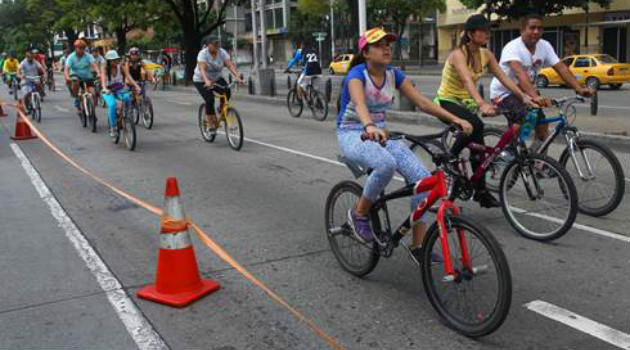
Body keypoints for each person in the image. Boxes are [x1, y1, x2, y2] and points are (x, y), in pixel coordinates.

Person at [336, 27, 473, 260]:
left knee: (425, 182)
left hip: (381, 134)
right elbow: (359, 104)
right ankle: (359, 214)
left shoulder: (393, 75)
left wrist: (456, 119)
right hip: (352, 132)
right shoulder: (357, 75)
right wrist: (369, 126)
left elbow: (423, 102)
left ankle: (417, 246)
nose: (386, 48)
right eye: (379, 45)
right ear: (366, 53)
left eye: (388, 44)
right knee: (385, 164)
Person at [435, 14, 537, 208]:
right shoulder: (458, 54)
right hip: (447, 101)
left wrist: (523, 96)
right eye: (483, 30)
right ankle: (449, 158)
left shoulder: (486, 54)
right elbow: (466, 79)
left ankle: (480, 192)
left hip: (467, 104)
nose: (487, 34)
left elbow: (504, 79)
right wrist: (482, 103)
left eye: (488, 30)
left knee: (480, 149)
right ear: (471, 34)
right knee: (475, 125)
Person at [489, 13, 593, 150]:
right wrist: (536, 96)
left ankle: (537, 163)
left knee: (542, 127)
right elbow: (520, 74)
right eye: (532, 28)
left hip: (527, 92)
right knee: (522, 118)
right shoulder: (512, 47)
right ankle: (508, 150)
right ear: (522, 30)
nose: (536, 32)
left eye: (540, 28)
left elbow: (561, 68)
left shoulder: (545, 46)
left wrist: (578, 88)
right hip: (503, 93)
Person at [193, 36, 243, 131]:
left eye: (217, 44)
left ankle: (221, 109)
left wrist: (237, 75)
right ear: (208, 45)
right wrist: (206, 81)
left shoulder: (222, 52)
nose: (216, 46)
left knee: (227, 90)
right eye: (214, 44)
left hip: (216, 78)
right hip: (201, 79)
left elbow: (229, 65)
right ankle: (210, 123)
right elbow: (202, 69)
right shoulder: (203, 54)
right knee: (210, 99)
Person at [101, 50, 132, 138]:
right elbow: (103, 81)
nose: (115, 61)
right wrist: (104, 88)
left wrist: (134, 86)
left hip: (119, 89)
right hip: (108, 90)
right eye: (113, 60)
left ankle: (128, 116)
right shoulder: (104, 68)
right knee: (112, 105)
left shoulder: (120, 66)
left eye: (116, 59)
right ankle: (113, 127)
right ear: (108, 61)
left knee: (127, 98)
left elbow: (128, 76)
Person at [64, 39, 100, 113]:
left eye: (83, 48)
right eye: (79, 48)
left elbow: (94, 65)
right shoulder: (71, 57)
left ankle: (92, 111)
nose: (81, 50)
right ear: (75, 48)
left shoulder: (88, 56)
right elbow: (66, 69)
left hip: (87, 77)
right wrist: (67, 77)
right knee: (75, 82)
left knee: (93, 93)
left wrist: (98, 73)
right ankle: (77, 98)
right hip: (76, 75)